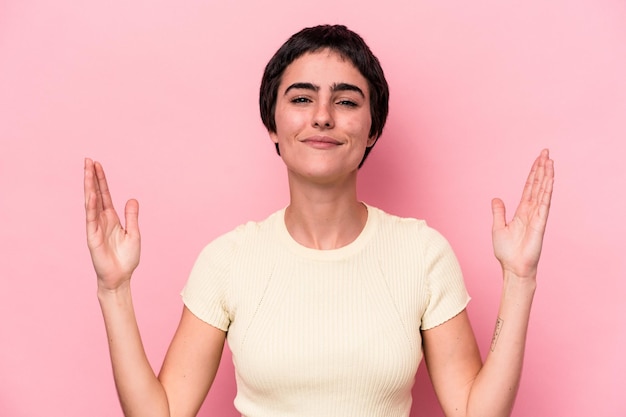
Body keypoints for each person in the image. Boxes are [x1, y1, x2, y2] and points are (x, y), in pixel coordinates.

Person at [84, 25, 554, 417]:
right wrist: (113, 289)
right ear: (272, 122)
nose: (324, 117)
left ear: (372, 130)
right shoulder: (229, 259)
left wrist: (519, 278)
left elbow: (476, 412)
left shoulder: (422, 253)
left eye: (347, 102)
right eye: (302, 99)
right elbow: (161, 412)